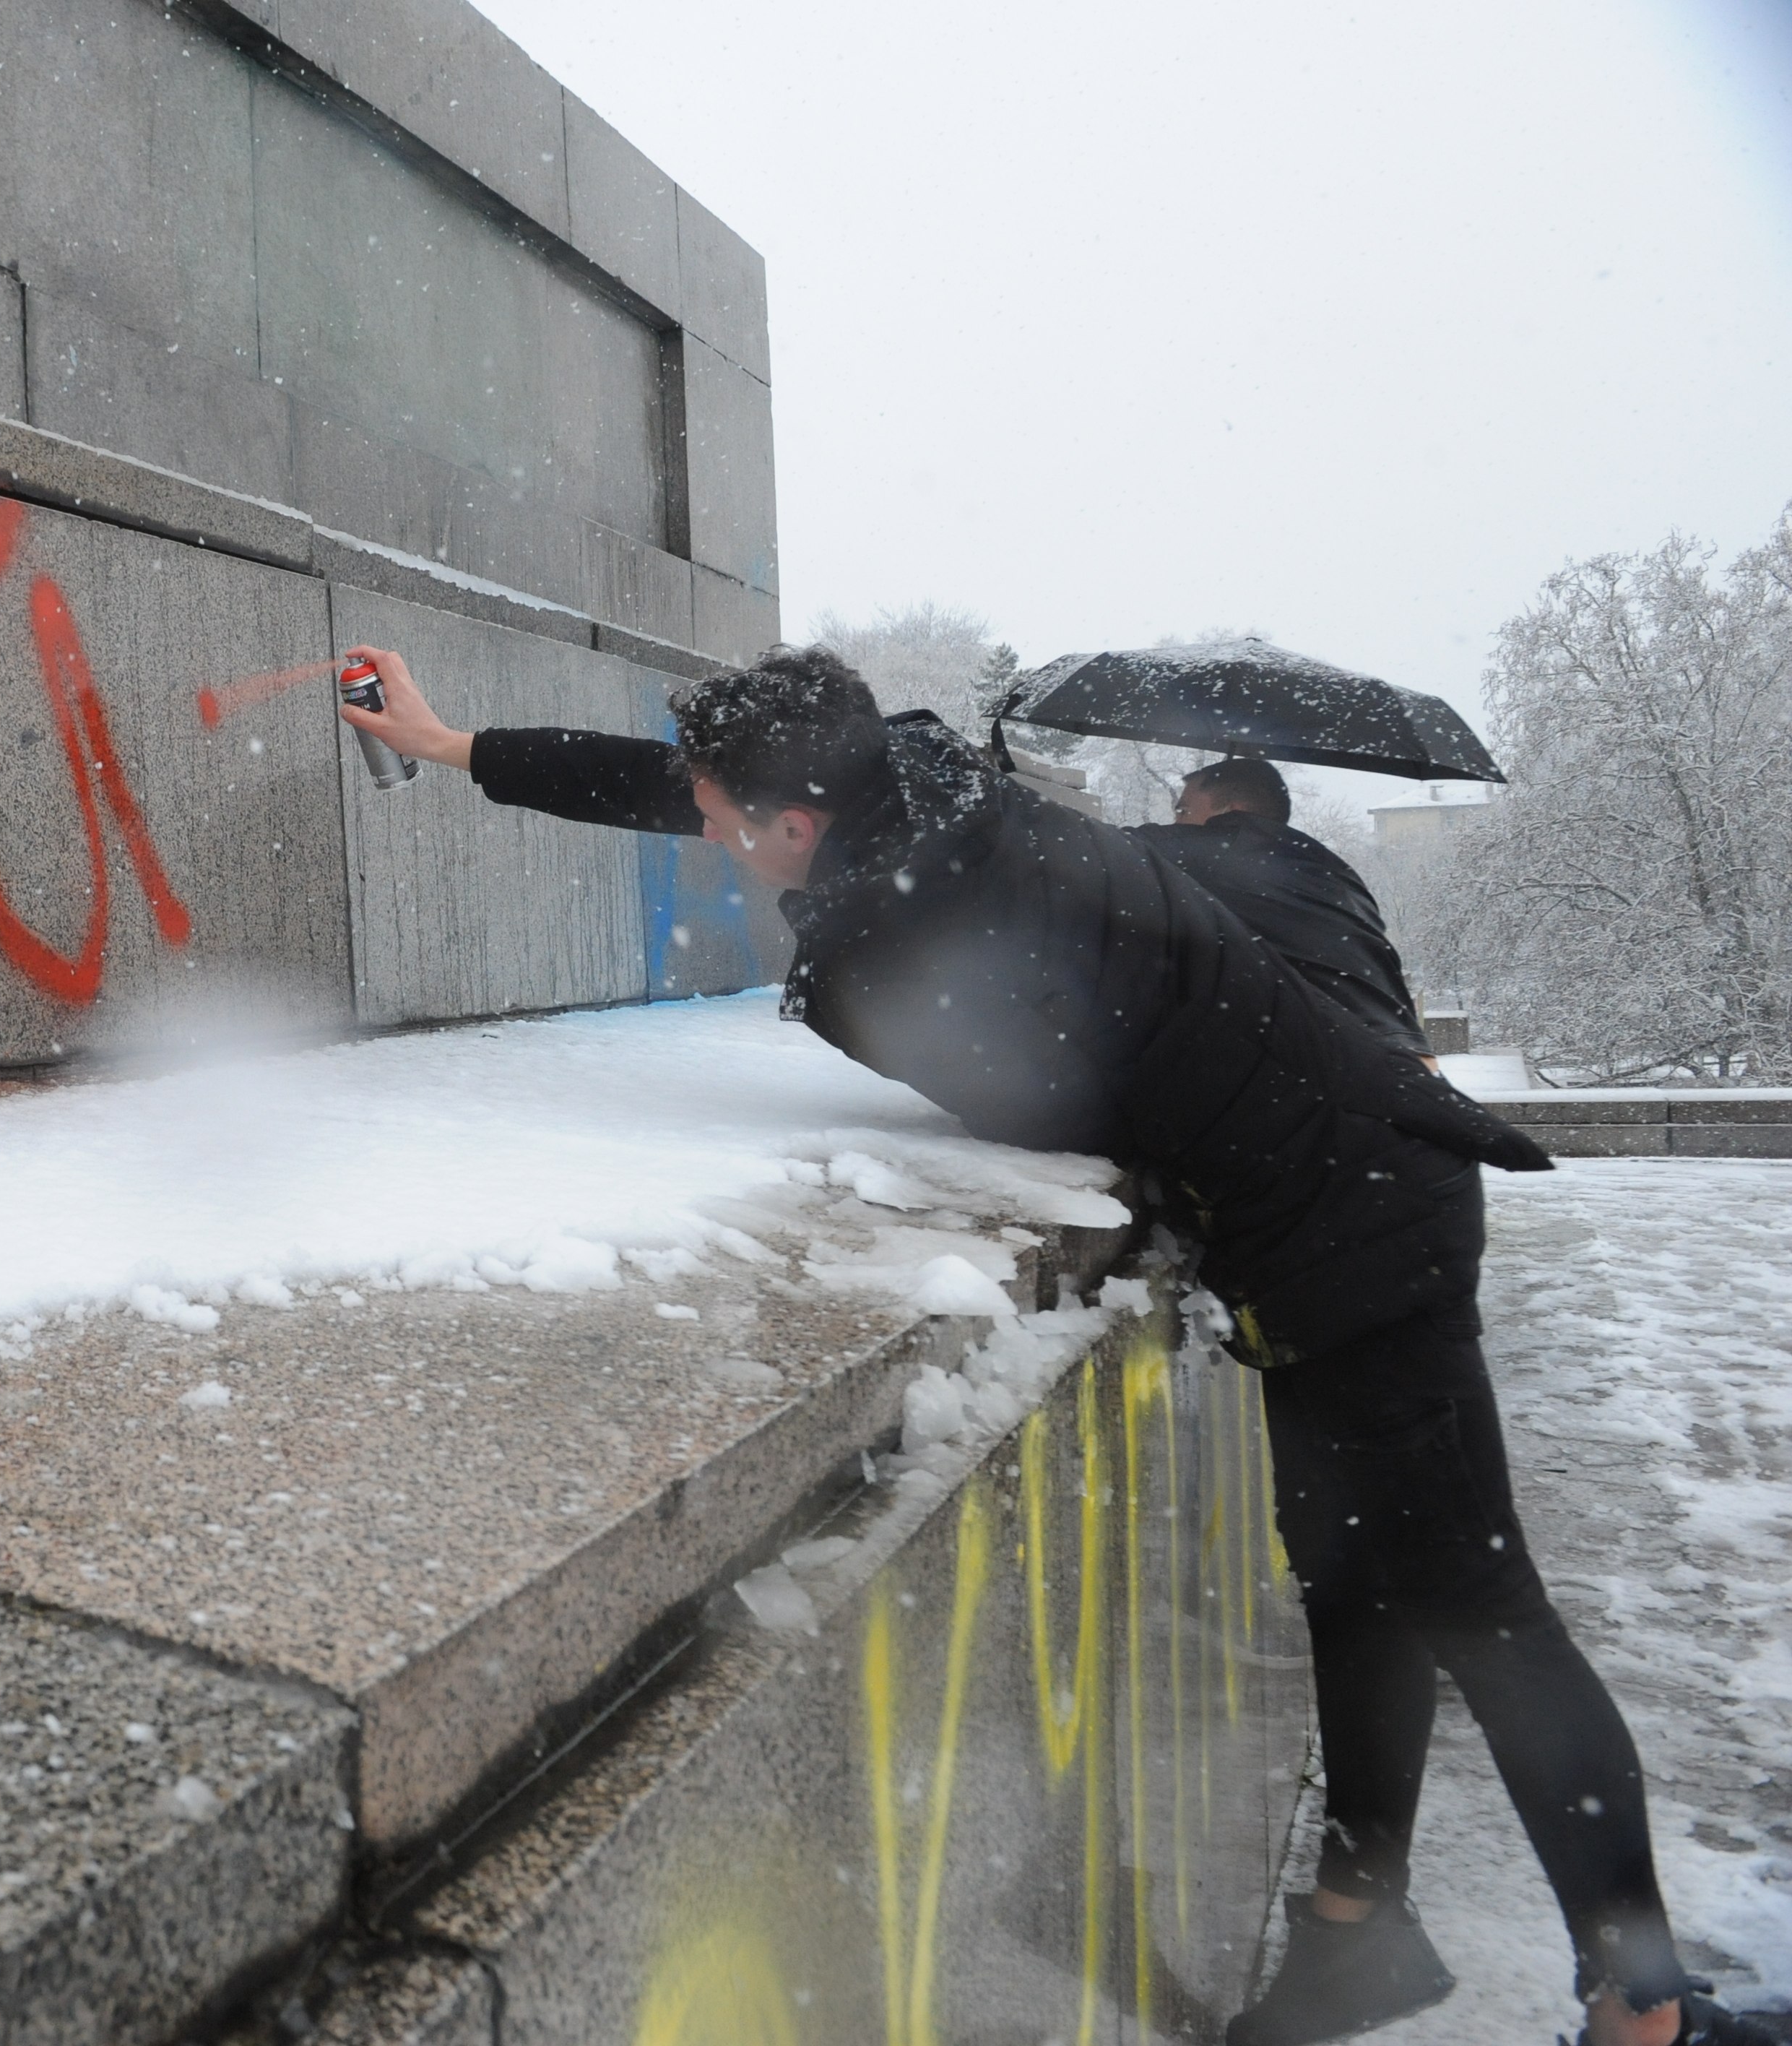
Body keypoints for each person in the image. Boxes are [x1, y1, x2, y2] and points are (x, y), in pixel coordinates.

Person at [337, 642, 1782, 2046]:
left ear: (794, 825)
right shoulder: (906, 795)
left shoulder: (921, 940)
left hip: (1359, 1221)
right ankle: (1357, 1930)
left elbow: (1049, 1102)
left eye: (725, 822)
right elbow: (692, 784)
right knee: (1352, 1570)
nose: (705, 832)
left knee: (1487, 1614)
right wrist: (451, 743)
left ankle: (1639, 2008)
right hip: (1333, 1191)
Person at [1131, 755, 1435, 1063]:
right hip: (1406, 1058)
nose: (1176, 822)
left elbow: (1101, 846)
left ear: (1232, 813)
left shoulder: (1225, 845)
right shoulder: (1330, 869)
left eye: (1183, 811)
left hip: (1343, 1059)